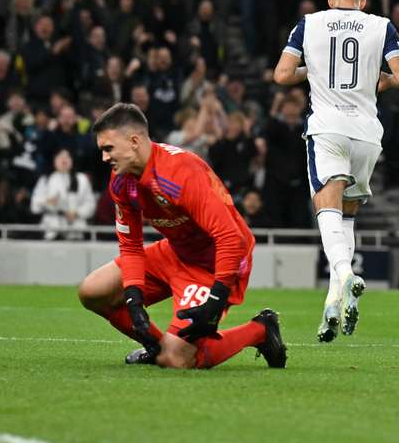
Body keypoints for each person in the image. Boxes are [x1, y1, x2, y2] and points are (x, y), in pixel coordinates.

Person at [77, 103, 286, 370]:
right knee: (92, 291)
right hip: (176, 251)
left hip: (214, 262)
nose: (105, 158)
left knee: (177, 359)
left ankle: (260, 330)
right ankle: (156, 347)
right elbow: (130, 246)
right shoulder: (121, 181)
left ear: (133, 141)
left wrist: (216, 298)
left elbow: (230, 238)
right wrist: (134, 298)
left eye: (108, 149)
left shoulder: (180, 172)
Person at [272, 0, 399, 342]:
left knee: (326, 207)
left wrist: (312, 71)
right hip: (367, 133)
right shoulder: (381, 26)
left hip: (328, 127)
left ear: (330, 0)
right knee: (347, 216)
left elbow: (282, 74)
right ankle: (333, 302)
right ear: (362, 2)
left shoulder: (310, 23)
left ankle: (345, 273)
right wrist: (377, 80)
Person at [30, 148, 96, 240]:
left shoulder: (81, 179)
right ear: (54, 160)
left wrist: (77, 213)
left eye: (67, 156)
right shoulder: (45, 180)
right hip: (50, 231)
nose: (64, 159)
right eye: (60, 156)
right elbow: (34, 207)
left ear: (72, 160)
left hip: (76, 231)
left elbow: (90, 204)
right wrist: (47, 202)